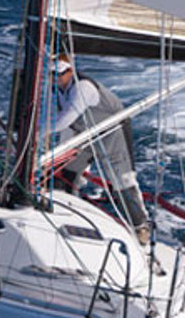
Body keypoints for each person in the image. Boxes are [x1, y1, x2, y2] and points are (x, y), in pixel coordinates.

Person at [51, 54, 150, 244]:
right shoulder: (58, 90)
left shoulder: (84, 88)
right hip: (84, 135)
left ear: (70, 71)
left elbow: (64, 120)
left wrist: (35, 133)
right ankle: (67, 213)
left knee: (123, 183)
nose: (56, 77)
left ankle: (140, 227)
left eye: (60, 73)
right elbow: (56, 118)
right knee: (65, 175)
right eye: (52, 74)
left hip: (112, 135)